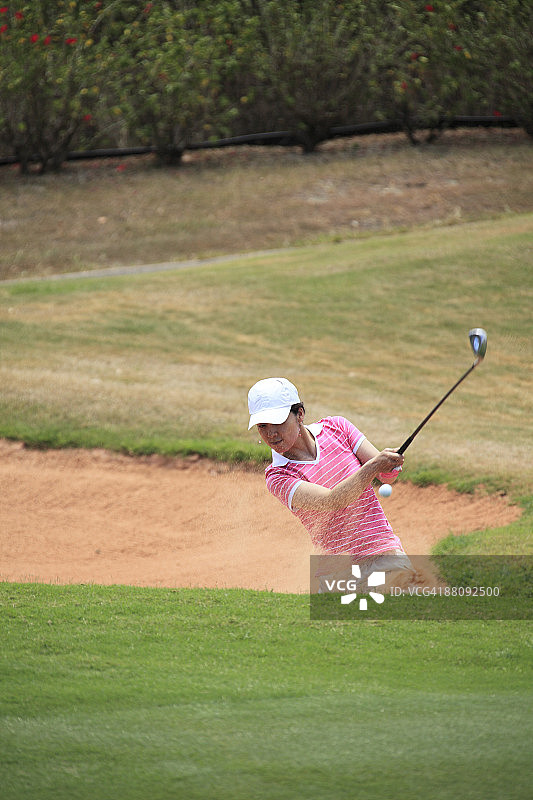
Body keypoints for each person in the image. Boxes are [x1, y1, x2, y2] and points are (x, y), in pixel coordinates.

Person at [247, 377, 415, 592]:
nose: (271, 433)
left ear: (299, 414)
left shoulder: (337, 428)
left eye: (277, 422)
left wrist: (391, 465)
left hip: (383, 554)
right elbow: (333, 500)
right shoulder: (278, 476)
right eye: (263, 426)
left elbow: (386, 475)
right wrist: (373, 467)